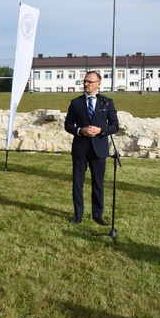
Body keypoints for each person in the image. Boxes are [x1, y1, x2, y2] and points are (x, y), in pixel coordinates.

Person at [64, 71, 119, 225]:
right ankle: (78, 215)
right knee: (77, 183)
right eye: (85, 81)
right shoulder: (76, 103)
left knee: (98, 183)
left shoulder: (106, 102)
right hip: (80, 148)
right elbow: (68, 125)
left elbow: (115, 126)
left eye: (90, 82)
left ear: (98, 84)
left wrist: (101, 130)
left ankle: (97, 215)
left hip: (99, 149)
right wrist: (80, 131)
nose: (86, 84)